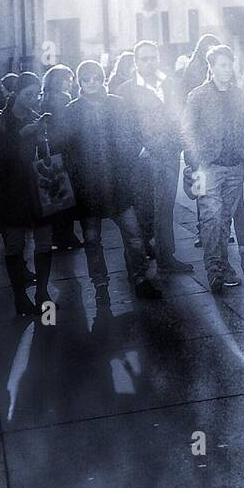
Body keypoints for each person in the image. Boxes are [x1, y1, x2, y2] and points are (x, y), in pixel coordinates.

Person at [56, 60, 160, 306]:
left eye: (95, 78)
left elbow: (134, 136)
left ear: (102, 79)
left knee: (133, 236)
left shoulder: (117, 104)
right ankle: (100, 285)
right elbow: (65, 148)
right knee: (92, 240)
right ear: (80, 82)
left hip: (117, 183)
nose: (91, 83)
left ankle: (140, 279)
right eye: (86, 79)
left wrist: (127, 164)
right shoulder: (72, 110)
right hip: (88, 187)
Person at [117, 40, 192, 276]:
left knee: (165, 208)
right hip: (142, 159)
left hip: (168, 156)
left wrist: (178, 146)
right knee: (143, 210)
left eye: (153, 57)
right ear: (137, 62)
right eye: (144, 59)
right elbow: (123, 126)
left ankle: (165, 257)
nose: (149, 63)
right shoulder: (126, 90)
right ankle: (137, 262)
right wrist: (138, 150)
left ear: (158, 58)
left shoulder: (170, 84)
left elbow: (179, 117)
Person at [183, 45, 244, 294]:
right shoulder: (198, 95)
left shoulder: (237, 93)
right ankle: (214, 271)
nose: (228, 69)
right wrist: (195, 162)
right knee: (210, 219)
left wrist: (241, 151)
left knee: (224, 219)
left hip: (234, 165)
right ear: (211, 67)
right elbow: (187, 130)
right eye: (222, 65)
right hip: (208, 166)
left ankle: (223, 265)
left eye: (229, 64)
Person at [0, 71, 55, 318]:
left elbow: (45, 158)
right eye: (28, 94)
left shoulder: (35, 117)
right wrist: (21, 135)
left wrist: (42, 137)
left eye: (36, 94)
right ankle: (20, 297)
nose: (33, 99)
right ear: (16, 93)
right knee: (15, 245)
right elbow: (0, 157)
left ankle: (42, 294)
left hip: (37, 187)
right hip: (11, 190)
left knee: (44, 241)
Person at [40, 65, 83, 253]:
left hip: (47, 152)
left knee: (55, 199)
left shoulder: (45, 98)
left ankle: (58, 236)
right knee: (65, 198)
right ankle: (67, 236)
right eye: (68, 78)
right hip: (63, 152)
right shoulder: (64, 98)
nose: (71, 82)